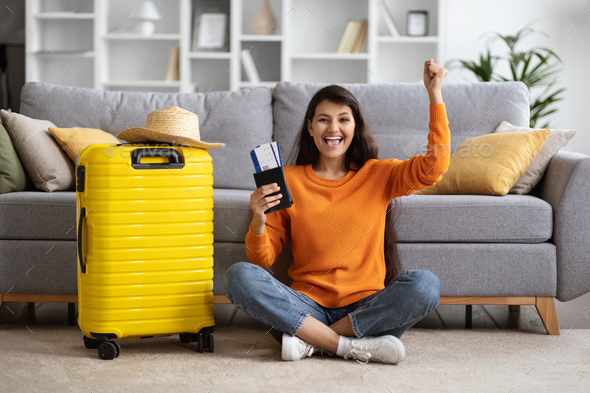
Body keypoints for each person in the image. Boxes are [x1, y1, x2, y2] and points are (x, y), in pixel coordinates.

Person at [225, 59, 450, 364]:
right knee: (239, 276)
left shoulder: (378, 174)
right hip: (306, 306)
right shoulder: (287, 180)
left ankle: (314, 342)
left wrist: (434, 95)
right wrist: (259, 220)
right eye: (323, 120)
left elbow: (434, 168)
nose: (333, 128)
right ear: (309, 127)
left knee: (426, 285)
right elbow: (261, 260)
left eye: (343, 119)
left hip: (365, 307)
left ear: (355, 127)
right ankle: (348, 346)